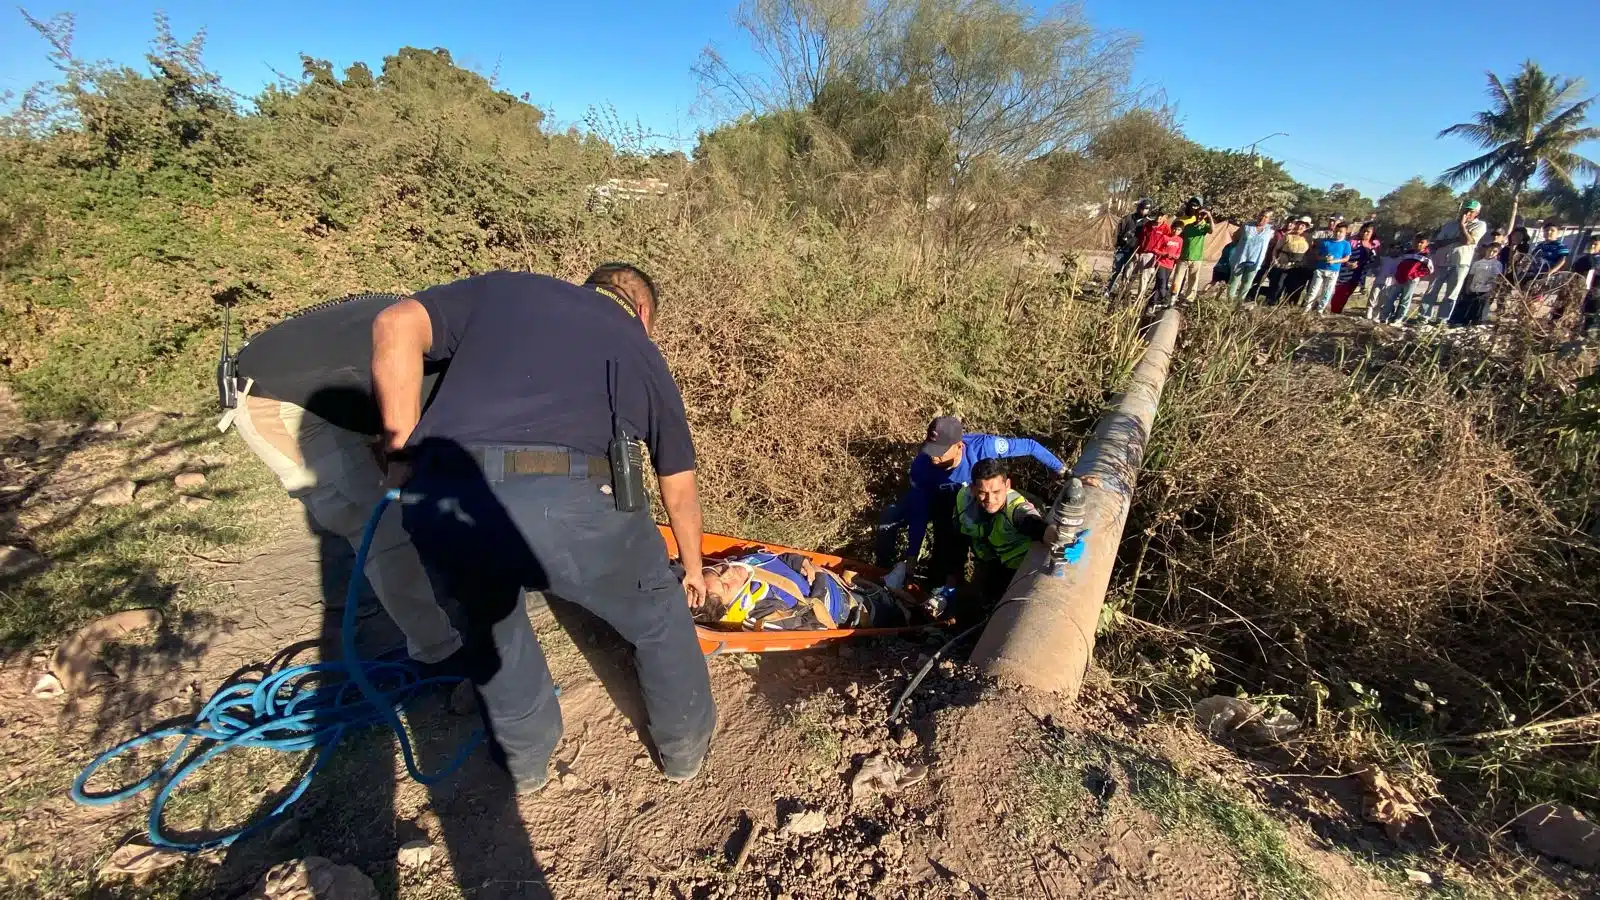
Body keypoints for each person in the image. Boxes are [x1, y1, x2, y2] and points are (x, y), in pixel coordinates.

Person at [371, 266, 715, 792]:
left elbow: (395, 322)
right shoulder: (639, 347)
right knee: (657, 618)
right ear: (644, 313)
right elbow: (679, 483)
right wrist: (691, 570)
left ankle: (525, 765)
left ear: (588, 286)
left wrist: (401, 451)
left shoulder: (506, 289)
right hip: (575, 501)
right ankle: (684, 752)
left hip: (447, 496)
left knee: (493, 626)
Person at [229, 294, 465, 668]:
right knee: (376, 524)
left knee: (415, 478)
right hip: (277, 398)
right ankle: (440, 651)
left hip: (342, 380)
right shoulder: (445, 357)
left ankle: (450, 578)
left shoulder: (461, 327)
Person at [876, 416, 1065, 590]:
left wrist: (1066, 473)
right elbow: (920, 512)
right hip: (943, 505)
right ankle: (884, 571)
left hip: (978, 501)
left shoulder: (984, 447)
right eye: (931, 449)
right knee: (894, 518)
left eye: (940, 451)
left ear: (959, 445)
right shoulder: (922, 466)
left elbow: (1030, 446)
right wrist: (912, 556)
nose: (934, 456)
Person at [694, 552, 922, 631]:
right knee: (897, 614)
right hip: (848, 610)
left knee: (872, 589)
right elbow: (811, 626)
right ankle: (914, 616)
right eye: (725, 586)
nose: (728, 574)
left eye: (718, 571)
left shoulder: (741, 562)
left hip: (841, 586)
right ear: (731, 604)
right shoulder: (762, 611)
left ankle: (887, 587)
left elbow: (774, 558)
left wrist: (799, 561)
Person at [952, 459, 1048, 618]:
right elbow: (957, 536)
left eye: (996, 492)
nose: (990, 500)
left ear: (1007, 485)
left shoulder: (1015, 507)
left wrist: (1058, 538)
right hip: (988, 560)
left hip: (1019, 569)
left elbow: (1035, 524)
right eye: (983, 493)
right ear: (973, 489)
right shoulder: (964, 499)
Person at [1419, 200, 1488, 324]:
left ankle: (1442, 319)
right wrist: (1455, 239)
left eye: (1470, 211)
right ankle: (1424, 316)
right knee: (1432, 289)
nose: (1467, 213)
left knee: (1452, 293)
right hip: (1442, 260)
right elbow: (1438, 242)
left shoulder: (1479, 225)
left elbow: (1468, 241)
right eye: (1465, 210)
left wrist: (1462, 225)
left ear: (1476, 213)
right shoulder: (1449, 225)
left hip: (1461, 262)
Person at [1448, 244, 1505, 327]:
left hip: (1486, 290)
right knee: (1468, 306)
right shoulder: (1477, 263)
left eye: (1494, 251)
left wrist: (1492, 290)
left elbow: (1496, 278)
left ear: (1498, 253)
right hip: (1474, 288)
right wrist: (1468, 287)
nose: (1491, 253)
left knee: (1479, 309)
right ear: (1486, 250)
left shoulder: (1497, 264)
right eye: (1490, 250)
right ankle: (1460, 322)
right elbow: (1471, 275)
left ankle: (1476, 323)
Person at [1106, 198, 1154, 296]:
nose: (1144, 211)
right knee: (1115, 271)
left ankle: (1121, 293)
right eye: (1143, 208)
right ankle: (1107, 290)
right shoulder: (1128, 218)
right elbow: (1117, 232)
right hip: (1122, 250)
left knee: (1127, 274)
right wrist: (1117, 245)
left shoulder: (1148, 223)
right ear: (1139, 208)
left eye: (1147, 209)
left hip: (1134, 252)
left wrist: (1141, 251)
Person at [1330, 223, 1381, 315]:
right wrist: (1347, 263)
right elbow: (1342, 254)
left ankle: (1337, 311)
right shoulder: (1352, 241)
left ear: (1372, 233)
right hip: (1345, 271)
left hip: (1360, 274)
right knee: (1339, 292)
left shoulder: (1374, 245)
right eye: (1363, 231)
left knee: (1347, 294)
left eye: (1368, 232)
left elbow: (1375, 261)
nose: (1365, 233)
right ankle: (1333, 311)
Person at [1384, 236, 1436, 324]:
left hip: (1411, 280)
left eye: (1421, 242)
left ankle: (1399, 319)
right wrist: (1397, 274)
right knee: (1391, 297)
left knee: (1405, 300)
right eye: (1416, 241)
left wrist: (1414, 275)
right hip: (1399, 278)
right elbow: (1401, 264)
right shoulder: (1408, 253)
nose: (1418, 244)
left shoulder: (1425, 255)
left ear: (1426, 244)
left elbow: (1429, 269)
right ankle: (1385, 316)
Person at [1227, 209, 1275, 302]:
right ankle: (1229, 302)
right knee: (1234, 281)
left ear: (1269, 219)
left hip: (1255, 261)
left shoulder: (1270, 231)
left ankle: (1239, 302)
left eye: (1266, 217)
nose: (1262, 218)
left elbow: (1272, 243)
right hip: (1241, 258)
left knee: (1247, 283)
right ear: (1258, 215)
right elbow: (1235, 237)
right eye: (1261, 215)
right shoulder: (1247, 226)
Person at [1173, 201, 1215, 303]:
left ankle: (1189, 300)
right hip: (1183, 257)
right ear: (1195, 215)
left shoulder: (1204, 227)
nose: (1200, 217)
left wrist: (1209, 216)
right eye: (1198, 214)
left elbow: (1212, 230)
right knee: (1177, 279)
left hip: (1196, 258)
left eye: (1202, 215)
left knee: (1193, 280)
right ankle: (1172, 298)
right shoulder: (1188, 227)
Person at [1264, 219, 1311, 305]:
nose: (1300, 227)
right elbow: (1276, 249)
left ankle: (1288, 306)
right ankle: (1271, 304)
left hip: (1297, 267)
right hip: (1283, 264)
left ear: (1306, 228)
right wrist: (1275, 261)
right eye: (1299, 224)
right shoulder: (1287, 236)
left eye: (1303, 226)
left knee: (1293, 287)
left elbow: (1309, 252)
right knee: (1278, 285)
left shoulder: (1308, 239)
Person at [1308, 222, 1353, 313]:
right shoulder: (1326, 242)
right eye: (1336, 231)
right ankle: (1306, 308)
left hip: (1334, 270)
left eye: (1341, 232)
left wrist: (1335, 261)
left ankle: (1320, 310)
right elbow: (1317, 256)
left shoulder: (1346, 244)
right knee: (1313, 290)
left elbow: (1346, 258)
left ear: (1345, 233)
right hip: (1320, 269)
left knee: (1327, 292)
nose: (1338, 233)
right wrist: (1324, 258)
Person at [1134, 210, 1178, 300]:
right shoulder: (1148, 225)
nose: (1159, 218)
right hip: (1141, 253)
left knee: (1145, 278)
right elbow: (1141, 238)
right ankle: (1125, 293)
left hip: (1153, 255)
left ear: (1165, 218)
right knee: (1132, 275)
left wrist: (1163, 255)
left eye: (1162, 216)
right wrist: (1137, 252)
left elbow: (1168, 242)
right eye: (1158, 215)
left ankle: (1140, 298)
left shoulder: (1166, 229)